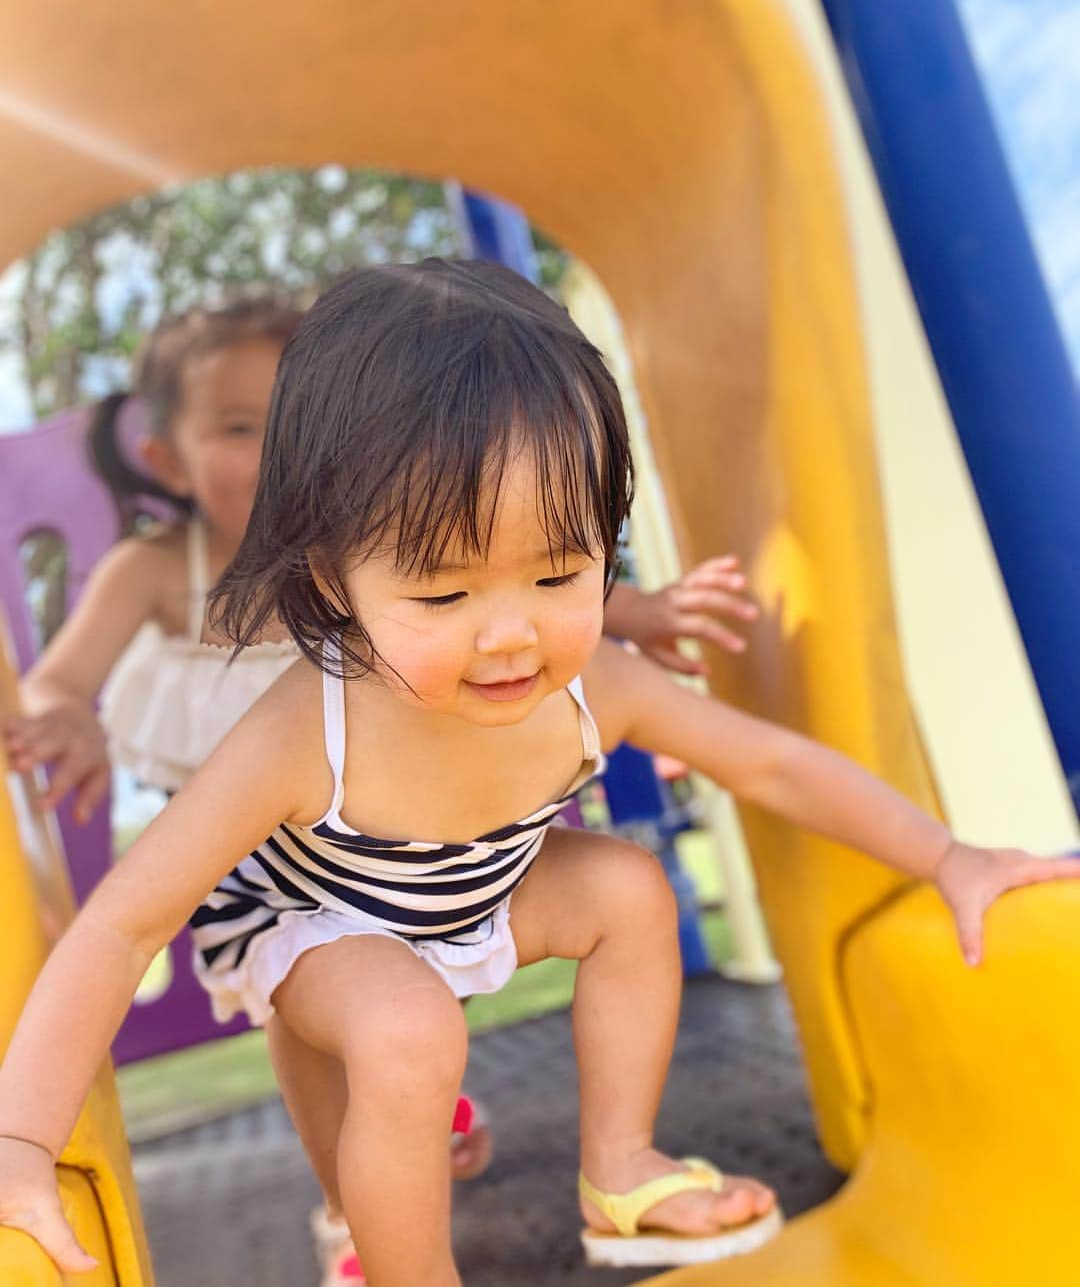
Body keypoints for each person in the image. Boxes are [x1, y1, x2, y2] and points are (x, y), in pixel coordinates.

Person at [5, 259, 1071, 1286]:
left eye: (559, 572)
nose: (509, 636)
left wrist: (950, 855)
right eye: (442, 597)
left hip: (474, 890)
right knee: (406, 1029)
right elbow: (123, 925)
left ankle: (621, 1172)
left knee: (626, 890)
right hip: (317, 919)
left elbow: (775, 766)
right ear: (333, 578)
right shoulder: (301, 730)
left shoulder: (592, 684)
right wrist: (20, 1140)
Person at [0, 285, 758, 1284]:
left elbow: (514, 565)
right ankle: (349, 1204)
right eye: (239, 428)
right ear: (166, 460)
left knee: (415, 1018)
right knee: (353, 1015)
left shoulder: (409, 540)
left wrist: (636, 611)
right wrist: (63, 711)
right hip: (259, 846)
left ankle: (411, 1113)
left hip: (390, 808)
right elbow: (67, 685)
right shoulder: (157, 570)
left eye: (294, 419)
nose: (278, 448)